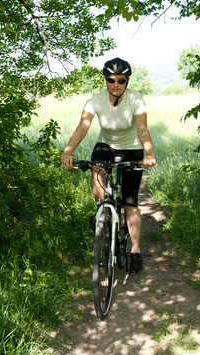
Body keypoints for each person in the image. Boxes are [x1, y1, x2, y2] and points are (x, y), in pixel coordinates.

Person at [61, 57, 156, 273]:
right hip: (106, 145)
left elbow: (142, 130)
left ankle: (136, 251)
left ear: (127, 82)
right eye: (111, 79)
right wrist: (68, 150)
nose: (116, 84)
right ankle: (102, 210)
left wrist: (149, 152)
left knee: (130, 202)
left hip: (131, 148)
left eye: (121, 80)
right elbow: (83, 127)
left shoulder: (136, 100)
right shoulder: (95, 100)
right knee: (97, 170)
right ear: (106, 80)